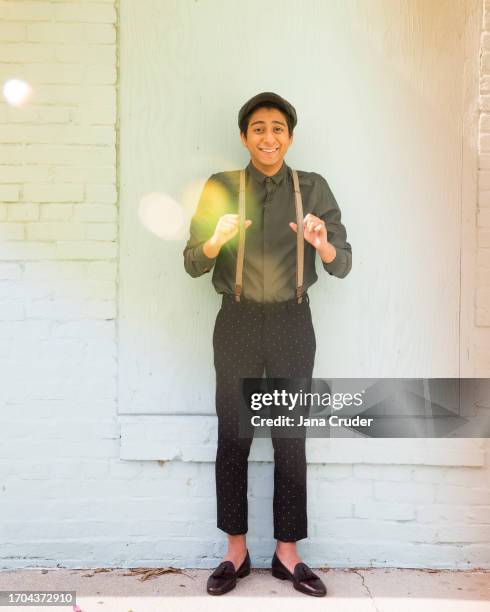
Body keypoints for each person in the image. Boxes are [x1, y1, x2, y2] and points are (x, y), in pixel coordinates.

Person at [183, 92, 352, 597]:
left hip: (291, 323)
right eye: (258, 128)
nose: (268, 137)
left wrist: (321, 241)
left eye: (277, 128)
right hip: (235, 321)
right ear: (244, 137)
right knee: (233, 436)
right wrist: (216, 239)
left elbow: (341, 262)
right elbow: (193, 260)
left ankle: (287, 554)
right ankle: (236, 553)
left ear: (290, 137)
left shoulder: (313, 187)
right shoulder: (221, 187)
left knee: (289, 441)